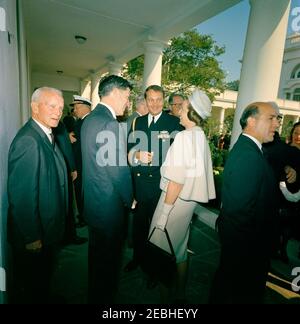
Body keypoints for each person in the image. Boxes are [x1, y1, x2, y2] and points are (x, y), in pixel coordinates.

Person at [149, 89, 216, 302]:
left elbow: (176, 180)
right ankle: (180, 294)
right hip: (187, 204)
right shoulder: (199, 135)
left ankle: (165, 301)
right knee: (179, 250)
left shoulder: (185, 138)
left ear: (192, 112)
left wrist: (163, 214)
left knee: (161, 253)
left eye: (184, 107)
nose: (179, 110)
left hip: (174, 203)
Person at [210, 102, 280, 304]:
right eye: (271, 118)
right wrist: (251, 251)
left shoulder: (251, 150)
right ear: (251, 121)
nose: (277, 124)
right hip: (247, 246)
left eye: (278, 119)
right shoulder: (248, 155)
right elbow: (238, 211)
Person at [7, 87, 68, 303]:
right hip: (34, 233)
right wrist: (31, 236)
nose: (57, 112)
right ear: (34, 107)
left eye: (60, 108)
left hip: (46, 225)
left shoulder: (44, 133)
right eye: (52, 106)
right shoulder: (29, 140)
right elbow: (22, 195)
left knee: (42, 276)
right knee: (32, 282)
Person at [81, 75, 133, 304]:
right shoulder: (109, 123)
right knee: (108, 264)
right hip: (108, 206)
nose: (128, 103)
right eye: (127, 97)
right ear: (115, 93)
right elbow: (118, 169)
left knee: (96, 259)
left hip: (93, 202)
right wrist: (129, 197)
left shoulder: (90, 119)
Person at [126, 85, 183, 273]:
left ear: (163, 100)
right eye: (151, 99)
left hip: (161, 184)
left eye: (159, 99)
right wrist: (136, 155)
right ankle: (138, 259)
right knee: (139, 225)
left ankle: (153, 268)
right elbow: (130, 150)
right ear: (145, 100)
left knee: (157, 228)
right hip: (140, 183)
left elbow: (179, 157)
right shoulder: (137, 123)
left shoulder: (174, 123)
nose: (155, 103)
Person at [53, 121, 87, 245]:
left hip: (59, 170)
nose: (58, 112)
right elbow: (66, 148)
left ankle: (66, 235)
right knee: (66, 203)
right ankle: (69, 236)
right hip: (63, 170)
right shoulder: (59, 124)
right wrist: (72, 167)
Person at [70, 95, 92, 227]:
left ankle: (84, 217)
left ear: (86, 108)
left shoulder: (88, 121)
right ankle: (83, 214)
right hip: (79, 164)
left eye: (77, 107)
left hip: (83, 165)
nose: (75, 111)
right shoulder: (81, 121)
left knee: (82, 191)